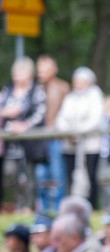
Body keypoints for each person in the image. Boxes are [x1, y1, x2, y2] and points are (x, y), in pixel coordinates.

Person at [0, 57, 47, 211]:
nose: (17, 76)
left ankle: (28, 206)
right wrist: (7, 112)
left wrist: (25, 125)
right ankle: (16, 204)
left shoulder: (36, 91)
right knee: (10, 173)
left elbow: (41, 112)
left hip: (30, 141)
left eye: (20, 72)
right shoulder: (8, 90)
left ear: (28, 74)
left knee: (29, 175)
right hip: (10, 142)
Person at [55, 67, 106, 208]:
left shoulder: (95, 96)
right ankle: (73, 205)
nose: (79, 84)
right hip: (71, 144)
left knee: (90, 176)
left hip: (90, 145)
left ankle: (92, 206)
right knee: (71, 175)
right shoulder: (71, 97)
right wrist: (68, 132)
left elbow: (96, 119)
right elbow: (62, 118)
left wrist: (79, 132)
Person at [36, 55, 69, 211]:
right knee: (40, 175)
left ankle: (58, 208)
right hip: (38, 140)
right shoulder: (35, 89)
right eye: (40, 70)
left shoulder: (63, 87)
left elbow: (69, 112)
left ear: (54, 70)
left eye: (45, 70)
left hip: (56, 139)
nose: (41, 73)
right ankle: (42, 209)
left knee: (57, 175)